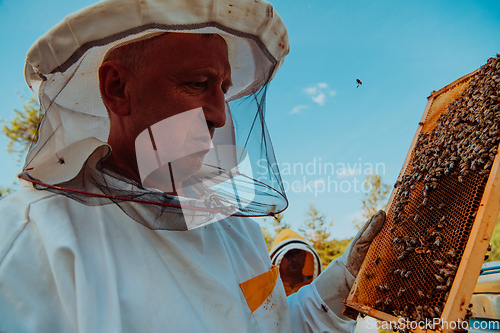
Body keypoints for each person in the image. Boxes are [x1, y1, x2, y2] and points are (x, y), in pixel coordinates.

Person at [0, 0, 386, 332]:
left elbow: (275, 326)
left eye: (223, 89)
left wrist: (344, 281)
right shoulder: (30, 244)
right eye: (198, 83)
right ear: (117, 88)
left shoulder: (236, 230)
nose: (219, 114)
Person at [270, 229, 322, 296]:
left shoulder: (317, 289)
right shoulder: (267, 292)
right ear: (277, 259)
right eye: (287, 253)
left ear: (305, 255)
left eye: (298, 252)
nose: (294, 258)